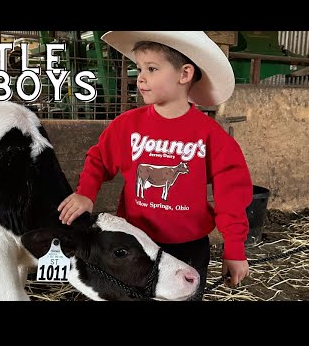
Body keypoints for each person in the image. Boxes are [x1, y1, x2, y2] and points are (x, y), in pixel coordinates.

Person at [58, 31, 253, 296]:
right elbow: (99, 159)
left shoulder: (211, 135)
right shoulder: (127, 126)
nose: (141, 77)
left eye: (152, 68)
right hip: (135, 245)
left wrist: (234, 248)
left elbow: (231, 193)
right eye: (140, 68)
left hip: (188, 246)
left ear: (184, 74)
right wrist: (85, 193)